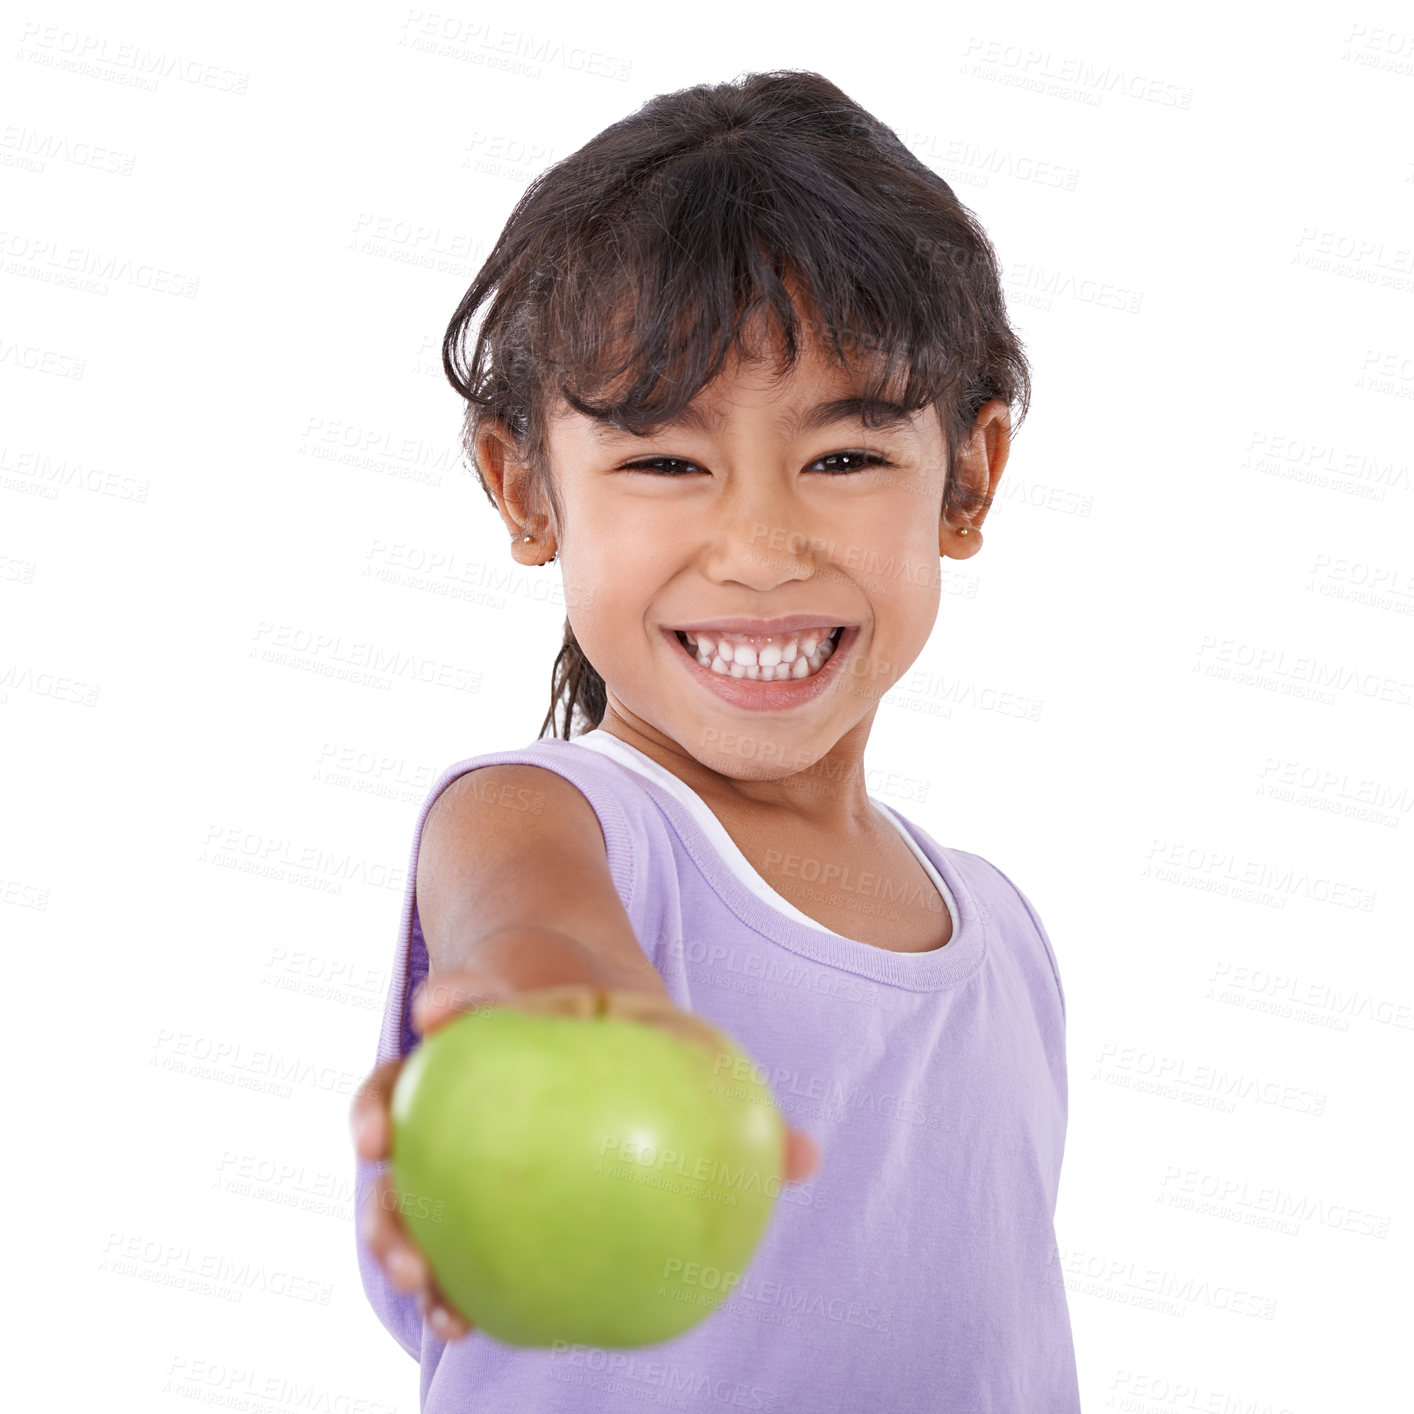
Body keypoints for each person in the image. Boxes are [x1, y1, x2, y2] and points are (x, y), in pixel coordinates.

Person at [350, 68, 1082, 1411]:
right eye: (663, 462)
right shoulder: (548, 818)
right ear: (526, 493)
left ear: (966, 478)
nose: (758, 548)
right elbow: (522, 917)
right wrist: (552, 1000)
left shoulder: (1005, 935)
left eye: (846, 457)